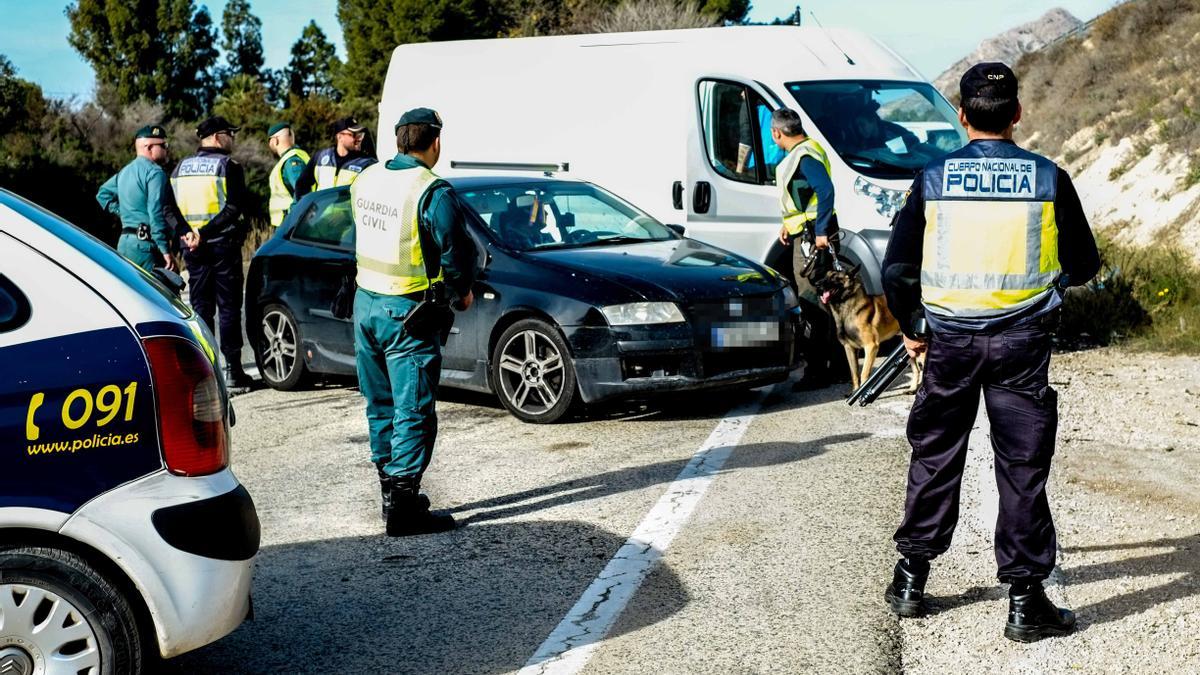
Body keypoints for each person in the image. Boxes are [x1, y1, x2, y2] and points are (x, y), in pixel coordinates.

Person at [880, 63, 1101, 642]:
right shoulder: (1050, 178)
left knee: (935, 454)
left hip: (948, 342)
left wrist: (911, 327)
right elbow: (1084, 265)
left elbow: (898, 269)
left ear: (961, 114)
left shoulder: (931, 180)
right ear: (1017, 114)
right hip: (1023, 344)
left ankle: (911, 578)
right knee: (1022, 467)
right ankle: (1026, 602)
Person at [351, 107, 478, 537]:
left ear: (399, 139)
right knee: (413, 409)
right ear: (435, 142)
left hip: (365, 304)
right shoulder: (431, 190)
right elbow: (454, 250)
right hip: (407, 313)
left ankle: (390, 495)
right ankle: (405, 509)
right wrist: (461, 292)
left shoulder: (366, 178)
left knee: (380, 401)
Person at [171, 115, 254, 389]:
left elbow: (168, 209)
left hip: (192, 249)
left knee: (201, 308)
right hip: (221, 246)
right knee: (229, 308)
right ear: (218, 136)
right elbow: (233, 208)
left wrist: (186, 232)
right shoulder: (228, 166)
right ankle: (233, 371)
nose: (233, 138)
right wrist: (203, 233)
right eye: (231, 133)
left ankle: (208, 368)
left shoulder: (179, 168)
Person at [770, 107, 841, 389]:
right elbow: (804, 195)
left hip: (814, 237)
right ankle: (835, 365)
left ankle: (818, 371)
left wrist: (821, 230)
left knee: (812, 302)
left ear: (776, 133)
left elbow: (825, 190)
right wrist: (789, 223)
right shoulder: (808, 149)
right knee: (824, 299)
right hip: (808, 230)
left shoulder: (803, 155)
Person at [96, 124, 177, 272]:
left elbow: (103, 194)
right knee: (158, 294)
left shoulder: (125, 172)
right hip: (147, 247)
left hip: (125, 243)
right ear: (149, 147)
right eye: (163, 145)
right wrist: (165, 250)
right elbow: (156, 213)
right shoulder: (155, 173)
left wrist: (124, 212)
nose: (167, 149)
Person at [294, 116, 377, 199]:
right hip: (323, 212)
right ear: (340, 137)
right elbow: (302, 184)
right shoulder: (320, 157)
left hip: (348, 212)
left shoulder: (367, 163)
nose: (359, 139)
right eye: (354, 135)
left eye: (360, 135)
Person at [266, 122, 311, 227]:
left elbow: (302, 191)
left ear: (275, 140)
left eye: (269, 140)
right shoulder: (294, 157)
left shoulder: (292, 160)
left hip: (291, 225)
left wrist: (291, 219)